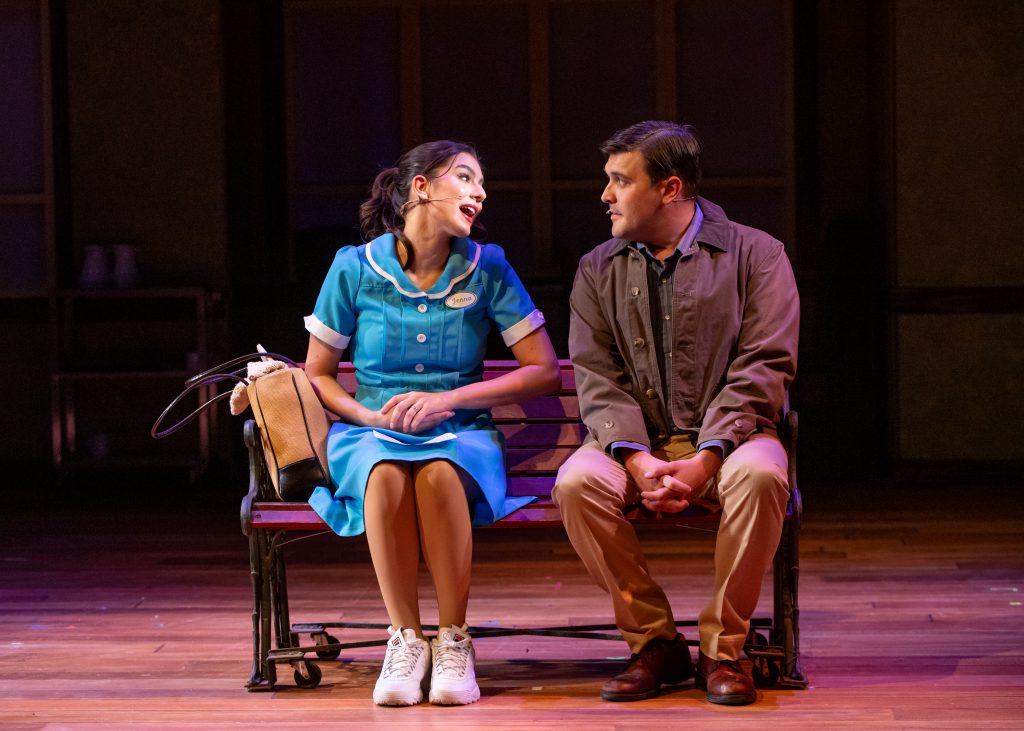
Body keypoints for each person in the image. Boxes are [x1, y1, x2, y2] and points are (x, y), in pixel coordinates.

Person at [303, 140, 560, 707]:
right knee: (385, 472)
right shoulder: (354, 267)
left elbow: (543, 371)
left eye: (480, 182)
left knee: (442, 472)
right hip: (371, 432)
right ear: (421, 187)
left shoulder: (487, 266)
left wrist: (452, 400)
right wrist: (366, 415)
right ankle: (405, 639)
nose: (480, 192)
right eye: (465, 178)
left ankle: (453, 639)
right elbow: (317, 376)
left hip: (462, 432)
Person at [552, 121, 799, 705]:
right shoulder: (598, 267)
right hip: (636, 442)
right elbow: (597, 374)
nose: (605, 196)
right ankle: (655, 643)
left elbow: (764, 363)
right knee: (578, 483)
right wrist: (637, 459)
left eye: (619, 180)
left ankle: (723, 648)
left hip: (734, 438)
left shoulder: (756, 254)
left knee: (763, 474)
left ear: (669, 189)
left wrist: (709, 455)